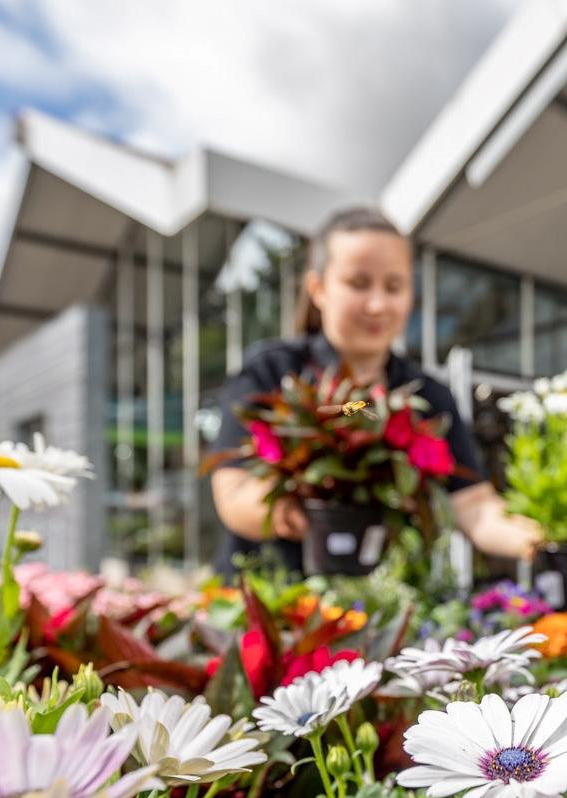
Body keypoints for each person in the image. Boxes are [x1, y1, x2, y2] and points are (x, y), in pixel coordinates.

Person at [210, 207, 542, 574]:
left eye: (394, 286)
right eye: (358, 283)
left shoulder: (428, 396)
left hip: (380, 604)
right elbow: (234, 492)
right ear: (318, 288)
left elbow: (474, 505)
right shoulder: (273, 372)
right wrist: (309, 513)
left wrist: (542, 539)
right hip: (272, 599)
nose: (378, 305)